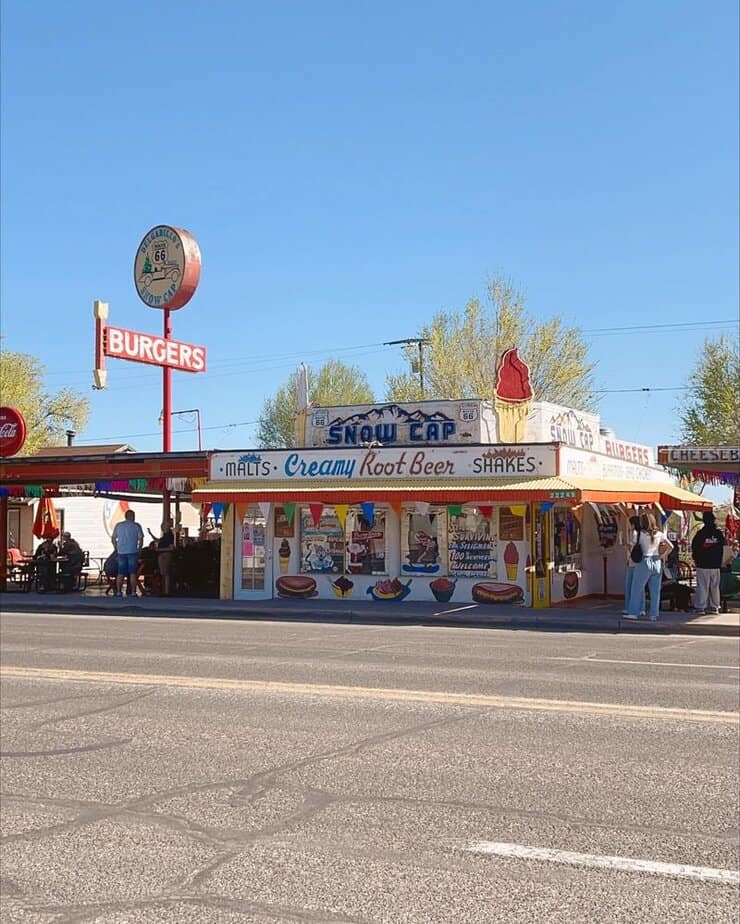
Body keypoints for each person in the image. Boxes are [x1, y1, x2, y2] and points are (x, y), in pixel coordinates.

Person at [624, 511, 673, 621]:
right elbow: (671, 546)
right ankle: (654, 614)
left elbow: (632, 547)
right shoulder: (659, 534)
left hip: (644, 561)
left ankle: (633, 612)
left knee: (637, 588)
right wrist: (662, 556)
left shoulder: (639, 534)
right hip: (656, 561)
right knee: (655, 590)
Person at [691, 510, 725, 615]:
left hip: (702, 564)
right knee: (715, 586)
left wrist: (696, 559)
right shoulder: (718, 534)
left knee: (702, 586)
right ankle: (715, 607)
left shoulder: (700, 534)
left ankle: (701, 607)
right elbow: (723, 548)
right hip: (715, 565)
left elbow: (694, 548)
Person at [111, 510, 144, 597]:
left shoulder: (119, 526)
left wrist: (116, 548)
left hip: (121, 552)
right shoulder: (136, 526)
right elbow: (141, 539)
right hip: (133, 551)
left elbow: (113, 538)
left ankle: (118, 591)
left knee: (120, 573)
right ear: (132, 516)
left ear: (125, 516)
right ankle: (133, 592)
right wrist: (139, 550)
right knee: (132, 573)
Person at [623, 515, 645, 617]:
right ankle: (641, 607)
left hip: (632, 562)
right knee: (640, 586)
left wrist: (627, 547)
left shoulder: (634, 534)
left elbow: (631, 548)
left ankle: (629, 607)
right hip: (640, 562)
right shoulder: (643, 534)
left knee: (629, 585)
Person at [150, 519, 175, 595]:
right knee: (164, 573)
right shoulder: (165, 535)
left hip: (165, 554)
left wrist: (159, 549)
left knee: (165, 573)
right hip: (162, 554)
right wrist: (151, 534)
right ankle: (165, 590)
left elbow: (171, 548)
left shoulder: (169, 535)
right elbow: (158, 540)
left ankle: (166, 590)